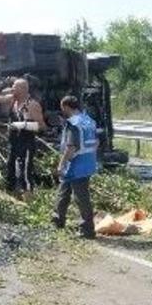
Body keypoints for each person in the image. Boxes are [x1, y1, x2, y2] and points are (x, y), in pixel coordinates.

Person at [0, 78, 46, 192]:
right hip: (13, 144)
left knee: (25, 175)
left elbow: (41, 126)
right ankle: (13, 196)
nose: (12, 89)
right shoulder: (13, 100)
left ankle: (29, 199)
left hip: (26, 145)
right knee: (11, 171)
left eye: (14, 87)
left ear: (22, 89)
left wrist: (21, 125)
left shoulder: (32, 105)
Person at [53, 95, 99, 239]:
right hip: (88, 162)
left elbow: (71, 147)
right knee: (63, 190)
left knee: (81, 197)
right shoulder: (89, 121)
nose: (62, 111)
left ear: (66, 107)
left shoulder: (73, 123)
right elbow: (96, 141)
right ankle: (57, 220)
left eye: (62, 108)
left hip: (76, 164)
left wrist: (61, 164)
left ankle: (88, 229)